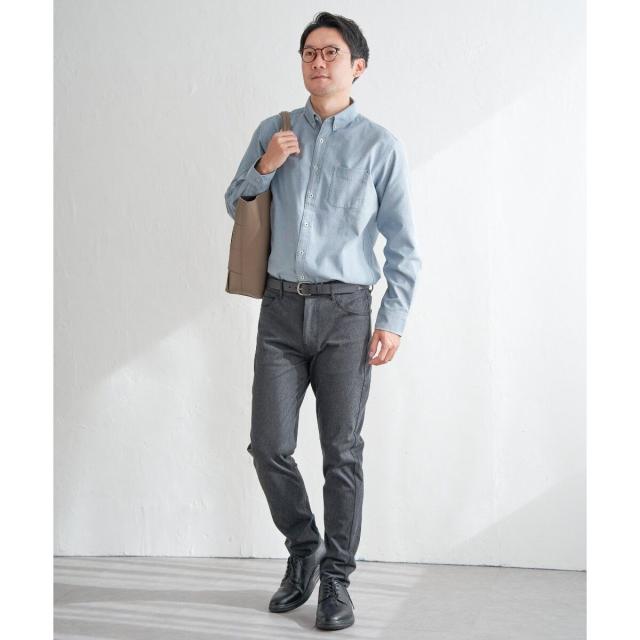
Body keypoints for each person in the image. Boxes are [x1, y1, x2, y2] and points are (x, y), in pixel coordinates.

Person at [224, 11, 422, 632]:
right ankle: (303, 547)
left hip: (346, 314)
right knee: (268, 446)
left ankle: (336, 579)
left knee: (342, 452)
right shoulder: (274, 130)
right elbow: (234, 202)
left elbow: (404, 246)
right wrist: (266, 166)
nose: (317, 62)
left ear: (356, 66)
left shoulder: (381, 146)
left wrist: (392, 319)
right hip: (281, 311)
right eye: (309, 52)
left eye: (330, 53)